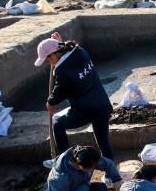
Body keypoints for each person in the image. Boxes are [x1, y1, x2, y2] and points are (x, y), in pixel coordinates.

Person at [35, 32, 114, 167]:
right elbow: (67, 55)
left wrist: (50, 102)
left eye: (48, 60)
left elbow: (60, 91)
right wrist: (59, 42)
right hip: (102, 105)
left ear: (53, 55)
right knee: (103, 141)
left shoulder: (62, 71)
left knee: (57, 124)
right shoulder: (80, 52)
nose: (48, 63)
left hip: (85, 110)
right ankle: (111, 172)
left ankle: (63, 162)